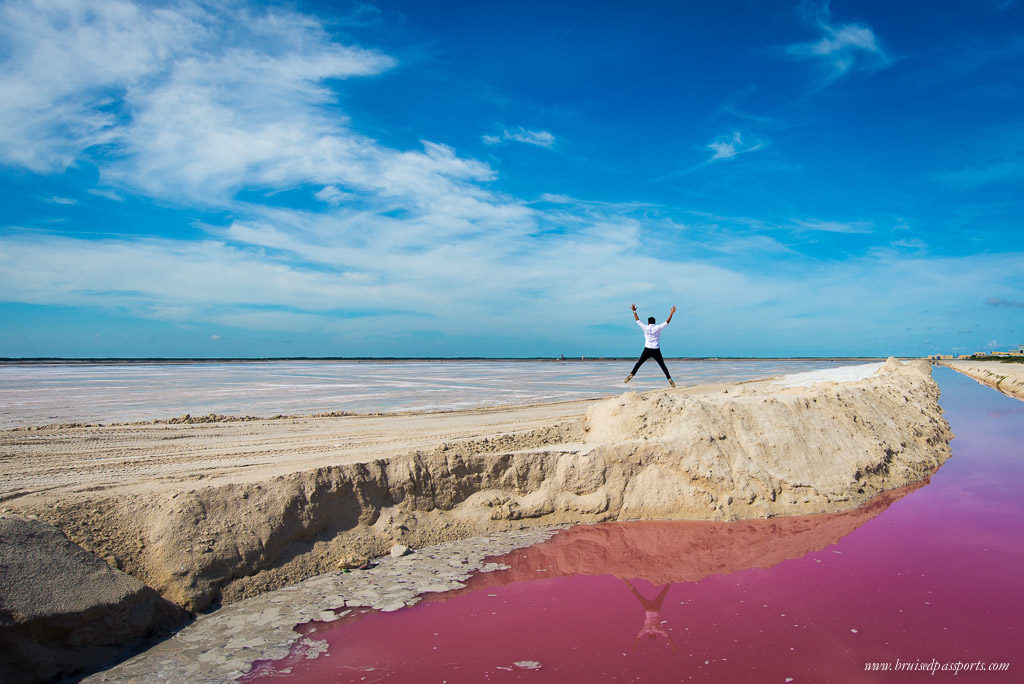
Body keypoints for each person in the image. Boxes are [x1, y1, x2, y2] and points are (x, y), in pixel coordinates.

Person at [624, 303, 676, 387]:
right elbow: (667, 322)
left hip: (647, 349)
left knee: (639, 363)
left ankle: (632, 374)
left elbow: (637, 320)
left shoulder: (645, 327)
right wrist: (671, 313)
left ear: (648, 322)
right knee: (662, 365)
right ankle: (669, 378)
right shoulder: (658, 327)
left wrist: (634, 311)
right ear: (654, 322)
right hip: (656, 349)